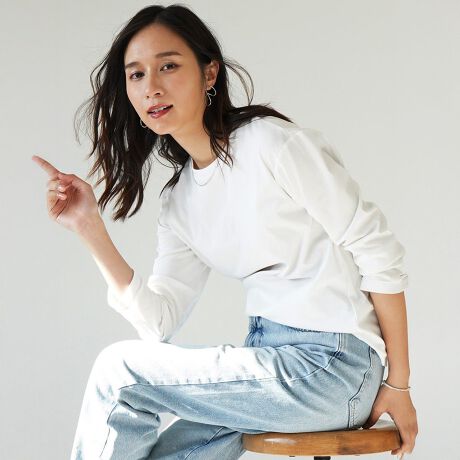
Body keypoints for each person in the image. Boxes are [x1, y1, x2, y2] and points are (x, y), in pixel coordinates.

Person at [32, 4, 418, 460]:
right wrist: (89, 227)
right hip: (269, 365)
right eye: (136, 75)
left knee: (118, 371)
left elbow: (377, 251)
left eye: (168, 66)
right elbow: (158, 322)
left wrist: (399, 383)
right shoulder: (180, 201)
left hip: (334, 367)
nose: (151, 86)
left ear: (209, 72)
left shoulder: (270, 143)